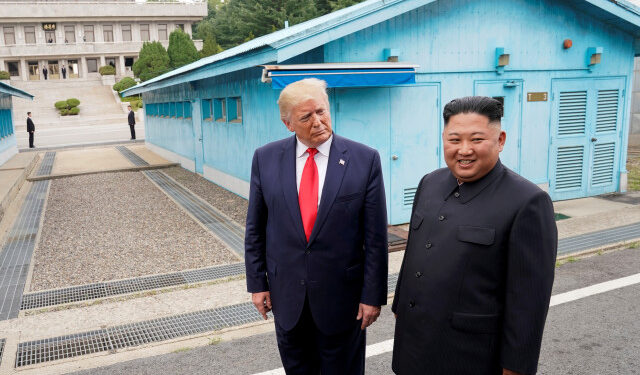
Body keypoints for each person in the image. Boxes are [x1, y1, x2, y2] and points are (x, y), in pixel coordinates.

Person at [392, 96, 557, 375]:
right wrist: (400, 306)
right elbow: (415, 252)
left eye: (476, 139)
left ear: (500, 139)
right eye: (454, 140)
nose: (464, 150)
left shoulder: (527, 202)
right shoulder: (430, 182)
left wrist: (516, 368)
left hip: (470, 356)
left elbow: (529, 300)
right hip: (413, 347)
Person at [245, 78, 388, 374]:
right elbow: (255, 229)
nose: (318, 121)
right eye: (306, 117)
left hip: (343, 301)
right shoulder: (266, 158)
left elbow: (375, 238)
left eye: (321, 111)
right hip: (288, 297)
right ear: (288, 124)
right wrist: (258, 284)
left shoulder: (364, 159)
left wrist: (372, 296)